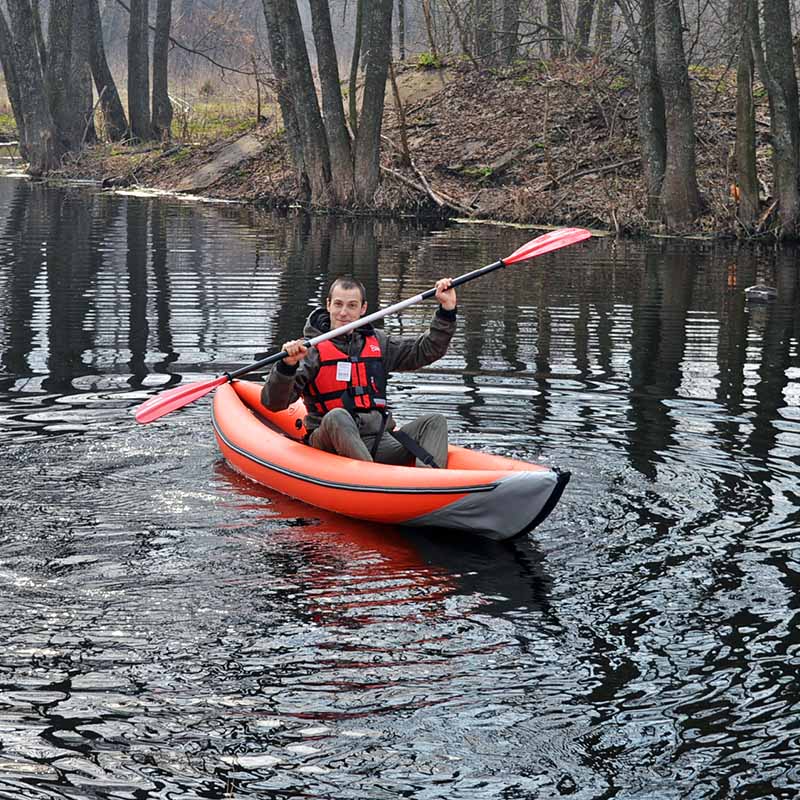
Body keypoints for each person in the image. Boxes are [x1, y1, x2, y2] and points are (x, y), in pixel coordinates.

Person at [261, 275, 457, 468]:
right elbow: (273, 403)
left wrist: (446, 312)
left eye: (352, 306)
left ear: (363, 309)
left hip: (379, 440)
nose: (343, 313)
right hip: (330, 443)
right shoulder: (310, 351)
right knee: (338, 415)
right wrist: (286, 366)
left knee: (434, 422)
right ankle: (372, 482)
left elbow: (425, 351)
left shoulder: (378, 343)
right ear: (328, 305)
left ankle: (428, 485)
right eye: (338, 304)